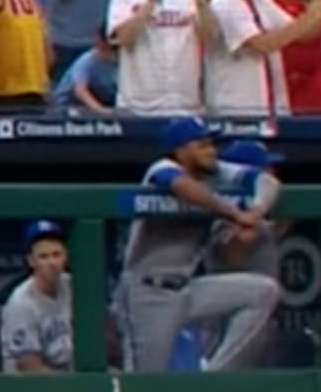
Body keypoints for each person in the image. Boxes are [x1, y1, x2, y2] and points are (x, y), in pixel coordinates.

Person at [117, 118, 283, 374]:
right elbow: (178, 185)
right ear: (180, 151)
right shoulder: (161, 168)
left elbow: (267, 182)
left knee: (263, 291)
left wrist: (257, 212)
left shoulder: (217, 171)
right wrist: (233, 213)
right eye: (202, 145)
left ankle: (213, 377)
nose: (211, 151)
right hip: (147, 292)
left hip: (188, 288)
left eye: (212, 144)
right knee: (147, 384)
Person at [0, 221, 77, 374]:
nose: (52, 263)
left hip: (65, 377)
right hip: (28, 387)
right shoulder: (20, 302)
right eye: (43, 256)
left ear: (65, 257)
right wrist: (74, 387)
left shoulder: (71, 286)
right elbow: (29, 366)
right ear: (31, 261)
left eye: (56, 255)